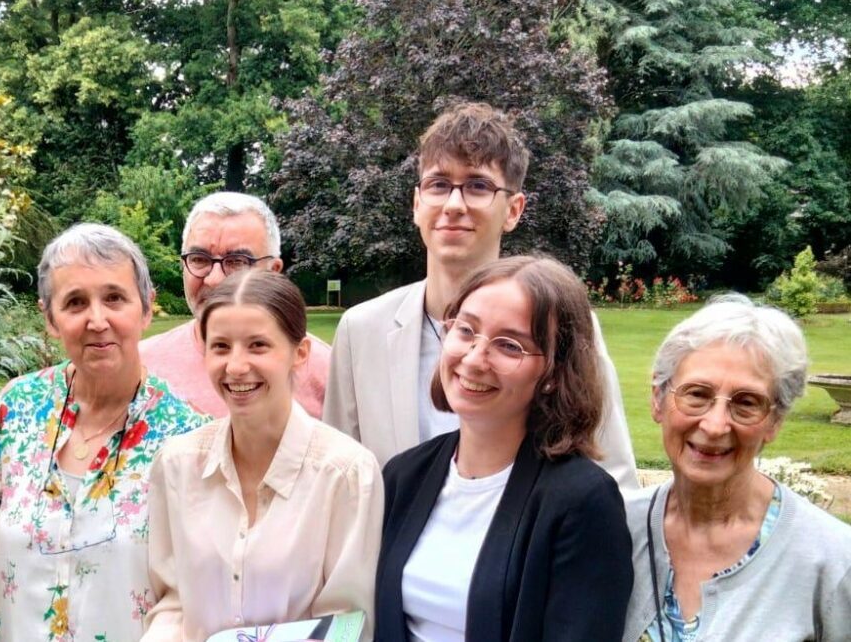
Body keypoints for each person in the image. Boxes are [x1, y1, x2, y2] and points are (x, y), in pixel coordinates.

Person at [324, 102, 638, 488]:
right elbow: (337, 482)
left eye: (477, 186)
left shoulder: (560, 324)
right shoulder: (361, 331)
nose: (454, 205)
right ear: (417, 203)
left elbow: (611, 473)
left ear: (513, 210)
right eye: (438, 184)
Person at [375, 255, 634, 642]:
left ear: (553, 374)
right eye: (466, 330)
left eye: (509, 346)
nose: (475, 359)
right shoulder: (405, 475)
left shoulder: (581, 501)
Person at [0, 224, 208, 642]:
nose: (97, 320)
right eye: (75, 302)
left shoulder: (189, 439)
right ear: (50, 318)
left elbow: (194, 594)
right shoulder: (17, 409)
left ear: (147, 308)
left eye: (114, 298)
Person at [145, 271, 383, 642]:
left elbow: (345, 624)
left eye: (258, 345)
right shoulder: (177, 465)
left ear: (299, 353)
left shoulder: (346, 474)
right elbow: (174, 600)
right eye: (221, 346)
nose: (236, 366)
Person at [622, 295, 851, 641]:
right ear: (658, 398)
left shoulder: (832, 562)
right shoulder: (614, 530)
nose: (715, 426)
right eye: (697, 394)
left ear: (774, 421)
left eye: (746, 403)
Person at [140, 191, 331, 418]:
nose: (214, 279)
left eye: (237, 262)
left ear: (274, 271)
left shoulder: (325, 370)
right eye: (199, 259)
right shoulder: (140, 366)